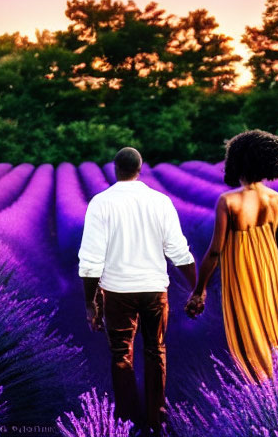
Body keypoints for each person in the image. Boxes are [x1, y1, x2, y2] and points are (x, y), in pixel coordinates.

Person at [78, 147, 196, 437]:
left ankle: (128, 422)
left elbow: (91, 260)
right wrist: (197, 288)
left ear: (115, 169)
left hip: (117, 291)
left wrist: (91, 303)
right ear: (140, 168)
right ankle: (157, 420)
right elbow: (178, 251)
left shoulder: (100, 203)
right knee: (156, 350)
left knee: (121, 354)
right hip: (155, 290)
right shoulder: (160, 201)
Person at [184, 129, 278, 383]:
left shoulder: (228, 201)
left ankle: (265, 388)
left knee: (251, 334)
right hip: (271, 273)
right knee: (277, 328)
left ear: (239, 161)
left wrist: (199, 290)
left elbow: (215, 251)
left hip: (242, 274)